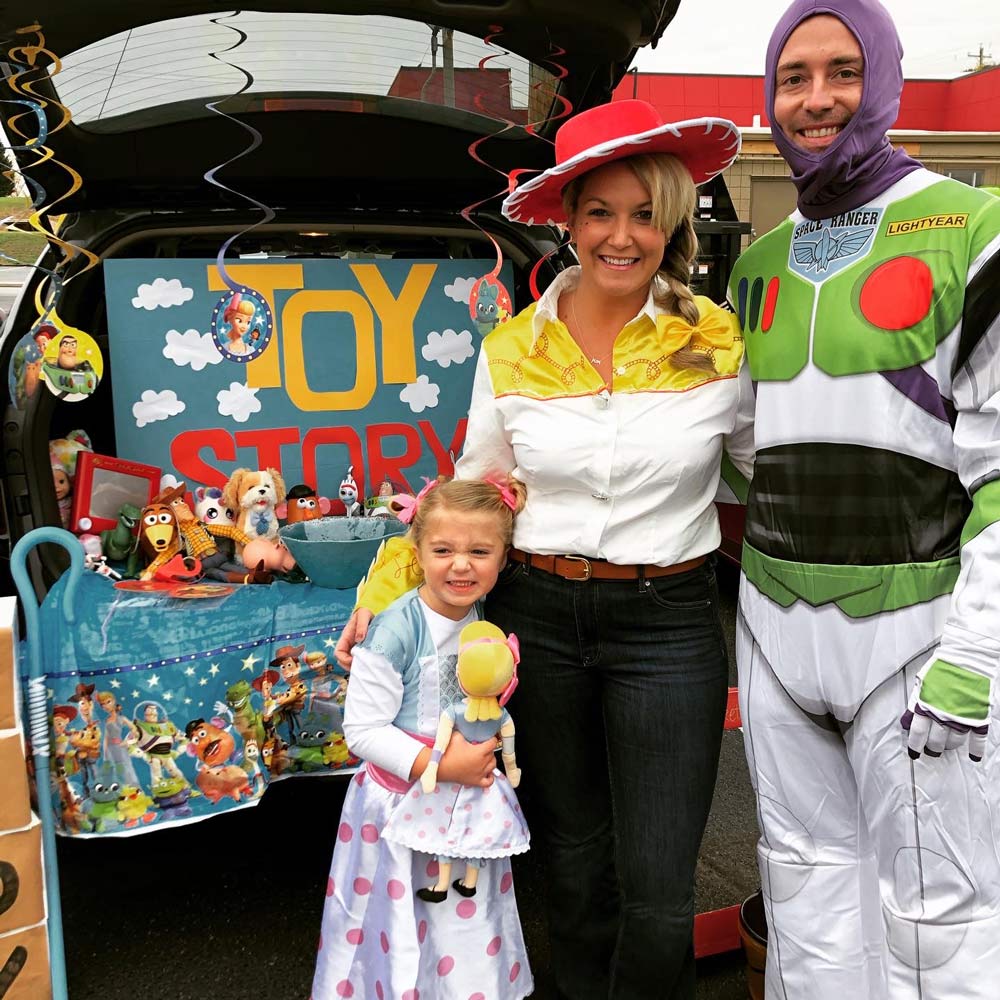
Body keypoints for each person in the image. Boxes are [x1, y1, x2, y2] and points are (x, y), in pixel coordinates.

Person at [336, 100, 754, 999]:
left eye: (644, 214)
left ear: (671, 222)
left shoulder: (717, 341)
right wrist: (387, 591)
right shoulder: (513, 348)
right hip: (541, 620)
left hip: (669, 621)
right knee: (571, 855)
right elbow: (475, 491)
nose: (621, 236)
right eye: (600, 211)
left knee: (659, 880)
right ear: (567, 217)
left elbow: (769, 470)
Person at [728, 2, 1000, 998]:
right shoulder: (754, 264)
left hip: (917, 633)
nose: (815, 98)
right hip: (773, 630)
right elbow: (742, 451)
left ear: (882, 77)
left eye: (841, 71)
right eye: (792, 77)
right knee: (804, 895)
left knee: (940, 919)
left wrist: (977, 655)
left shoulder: (971, 228)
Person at [312, 477, 533, 1000]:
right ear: (418, 553)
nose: (461, 566)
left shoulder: (478, 616)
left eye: (479, 552)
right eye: (443, 550)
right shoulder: (395, 632)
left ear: (503, 557)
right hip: (401, 806)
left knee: (461, 922)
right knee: (401, 920)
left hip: (463, 804)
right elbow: (362, 730)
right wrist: (444, 765)